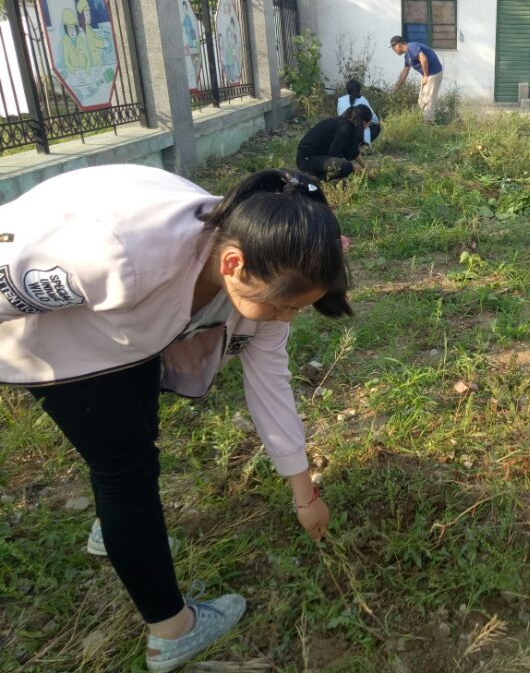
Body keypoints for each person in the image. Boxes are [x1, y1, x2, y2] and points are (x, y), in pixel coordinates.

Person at [0, 165, 350, 672]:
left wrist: (305, 493)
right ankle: (172, 631)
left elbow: (271, 385)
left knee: (138, 439)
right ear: (233, 264)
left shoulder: (266, 262)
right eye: (284, 307)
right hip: (49, 337)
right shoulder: (120, 254)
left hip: (125, 328)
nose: (286, 318)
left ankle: (114, 530)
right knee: (126, 471)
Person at [296, 105, 373, 182]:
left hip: (314, 159)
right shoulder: (345, 127)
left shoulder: (346, 125)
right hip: (307, 160)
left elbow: (353, 153)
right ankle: (312, 180)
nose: (368, 127)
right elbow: (334, 154)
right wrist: (353, 168)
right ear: (364, 122)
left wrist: (367, 170)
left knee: (345, 166)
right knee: (346, 166)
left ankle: (316, 179)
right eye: (369, 124)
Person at [390, 35, 443, 122]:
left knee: (427, 101)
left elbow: (423, 59)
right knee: (421, 100)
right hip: (427, 75)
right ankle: (424, 121)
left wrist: (425, 76)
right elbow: (405, 71)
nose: (394, 50)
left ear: (398, 45)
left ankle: (428, 124)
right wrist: (398, 86)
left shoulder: (411, 47)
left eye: (393, 48)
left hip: (433, 73)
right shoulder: (407, 56)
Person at [337, 80, 381, 145]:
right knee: (377, 127)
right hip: (355, 134)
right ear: (359, 90)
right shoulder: (362, 100)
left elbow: (338, 115)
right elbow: (374, 119)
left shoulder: (341, 100)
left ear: (347, 90)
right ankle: (362, 145)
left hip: (342, 132)